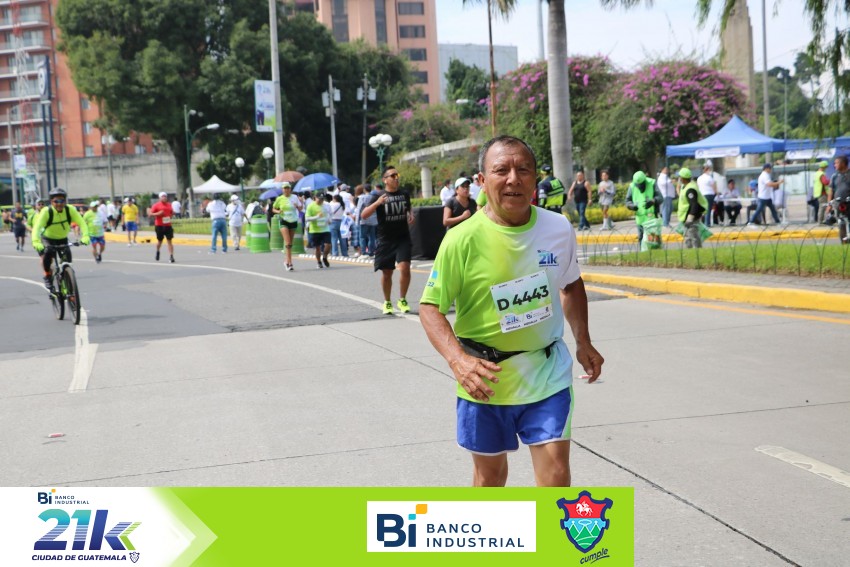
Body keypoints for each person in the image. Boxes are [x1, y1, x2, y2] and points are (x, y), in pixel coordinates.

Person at [419, 135, 604, 487]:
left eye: (523, 170)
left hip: (546, 371)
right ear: (482, 180)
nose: (513, 179)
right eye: (501, 170)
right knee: (490, 480)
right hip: (485, 379)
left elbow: (570, 283)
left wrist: (583, 340)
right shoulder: (461, 239)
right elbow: (430, 307)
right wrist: (458, 361)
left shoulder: (557, 228)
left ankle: (548, 527)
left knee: (556, 474)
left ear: (535, 178)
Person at [360, 165, 415, 315]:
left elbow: (408, 207)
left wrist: (410, 214)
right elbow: (364, 215)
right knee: (387, 273)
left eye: (397, 175)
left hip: (403, 237)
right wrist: (377, 203)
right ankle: (387, 301)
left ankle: (402, 299)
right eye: (393, 176)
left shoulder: (404, 194)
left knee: (405, 268)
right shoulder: (378, 196)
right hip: (386, 239)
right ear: (385, 180)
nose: (396, 178)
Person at [31, 188, 90, 291]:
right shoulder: (46, 211)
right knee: (47, 254)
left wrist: (85, 236)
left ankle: (67, 282)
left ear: (65, 201)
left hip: (63, 239)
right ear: (51, 202)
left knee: (68, 262)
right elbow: (37, 228)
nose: (59, 204)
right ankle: (47, 275)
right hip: (48, 239)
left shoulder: (70, 210)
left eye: (62, 201)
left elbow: (82, 223)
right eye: (56, 201)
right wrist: (36, 242)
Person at [625, 171, 661, 244]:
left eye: (641, 185)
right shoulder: (632, 186)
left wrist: (653, 201)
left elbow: (660, 198)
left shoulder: (652, 183)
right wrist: (632, 206)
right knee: (641, 240)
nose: (640, 187)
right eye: (638, 185)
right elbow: (627, 201)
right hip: (640, 219)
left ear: (645, 181)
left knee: (653, 242)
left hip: (652, 219)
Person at [272, 182, 302, 270]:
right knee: (288, 242)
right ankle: (290, 263)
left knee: (290, 243)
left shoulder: (295, 197)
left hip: (293, 221)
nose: (286, 190)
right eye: (284, 188)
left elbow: (301, 208)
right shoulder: (279, 198)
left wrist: (297, 206)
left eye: (288, 188)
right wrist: (278, 211)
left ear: (290, 189)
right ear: (282, 190)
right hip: (284, 220)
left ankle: (286, 261)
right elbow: (273, 209)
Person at [677, 168, 707, 248]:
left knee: (693, 236)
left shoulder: (690, 189)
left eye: (680, 177)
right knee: (687, 237)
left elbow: (694, 204)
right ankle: (690, 252)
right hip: (685, 217)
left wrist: (690, 219)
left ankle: (697, 251)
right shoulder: (685, 186)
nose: (679, 179)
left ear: (683, 178)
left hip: (691, 217)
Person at [305, 190, 332, 268]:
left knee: (328, 244)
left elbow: (329, 214)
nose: (321, 200)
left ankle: (325, 257)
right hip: (315, 230)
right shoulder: (310, 206)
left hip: (325, 228)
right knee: (317, 248)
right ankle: (319, 261)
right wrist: (316, 217)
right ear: (315, 198)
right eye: (319, 199)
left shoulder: (326, 205)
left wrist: (329, 220)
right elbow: (307, 218)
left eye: (322, 199)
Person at [828, 154, 850, 243]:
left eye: (837, 163)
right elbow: (831, 190)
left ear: (843, 164)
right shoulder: (834, 176)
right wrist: (829, 204)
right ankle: (844, 243)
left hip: (849, 203)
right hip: (839, 205)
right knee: (841, 223)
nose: (835, 165)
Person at [150, 191, 175, 263]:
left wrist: (172, 214)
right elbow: (150, 214)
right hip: (159, 225)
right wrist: (158, 213)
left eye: (165, 196)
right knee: (160, 241)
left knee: (169, 241)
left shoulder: (169, 205)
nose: (164, 198)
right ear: (160, 198)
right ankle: (158, 251)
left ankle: (171, 256)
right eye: (162, 197)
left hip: (168, 225)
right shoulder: (156, 205)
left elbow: (171, 212)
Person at [357, 183, 378, 257]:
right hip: (373, 219)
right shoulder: (374, 197)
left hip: (364, 219)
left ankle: (363, 252)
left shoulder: (362, 198)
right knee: (372, 237)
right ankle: (371, 251)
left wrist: (357, 220)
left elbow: (359, 209)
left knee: (362, 237)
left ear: (364, 190)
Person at [696, 163, 718, 227]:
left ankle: (702, 223)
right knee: (708, 209)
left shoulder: (699, 178)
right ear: (708, 170)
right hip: (709, 194)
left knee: (703, 209)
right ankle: (707, 223)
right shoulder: (709, 178)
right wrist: (716, 193)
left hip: (702, 195)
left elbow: (697, 187)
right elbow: (714, 187)